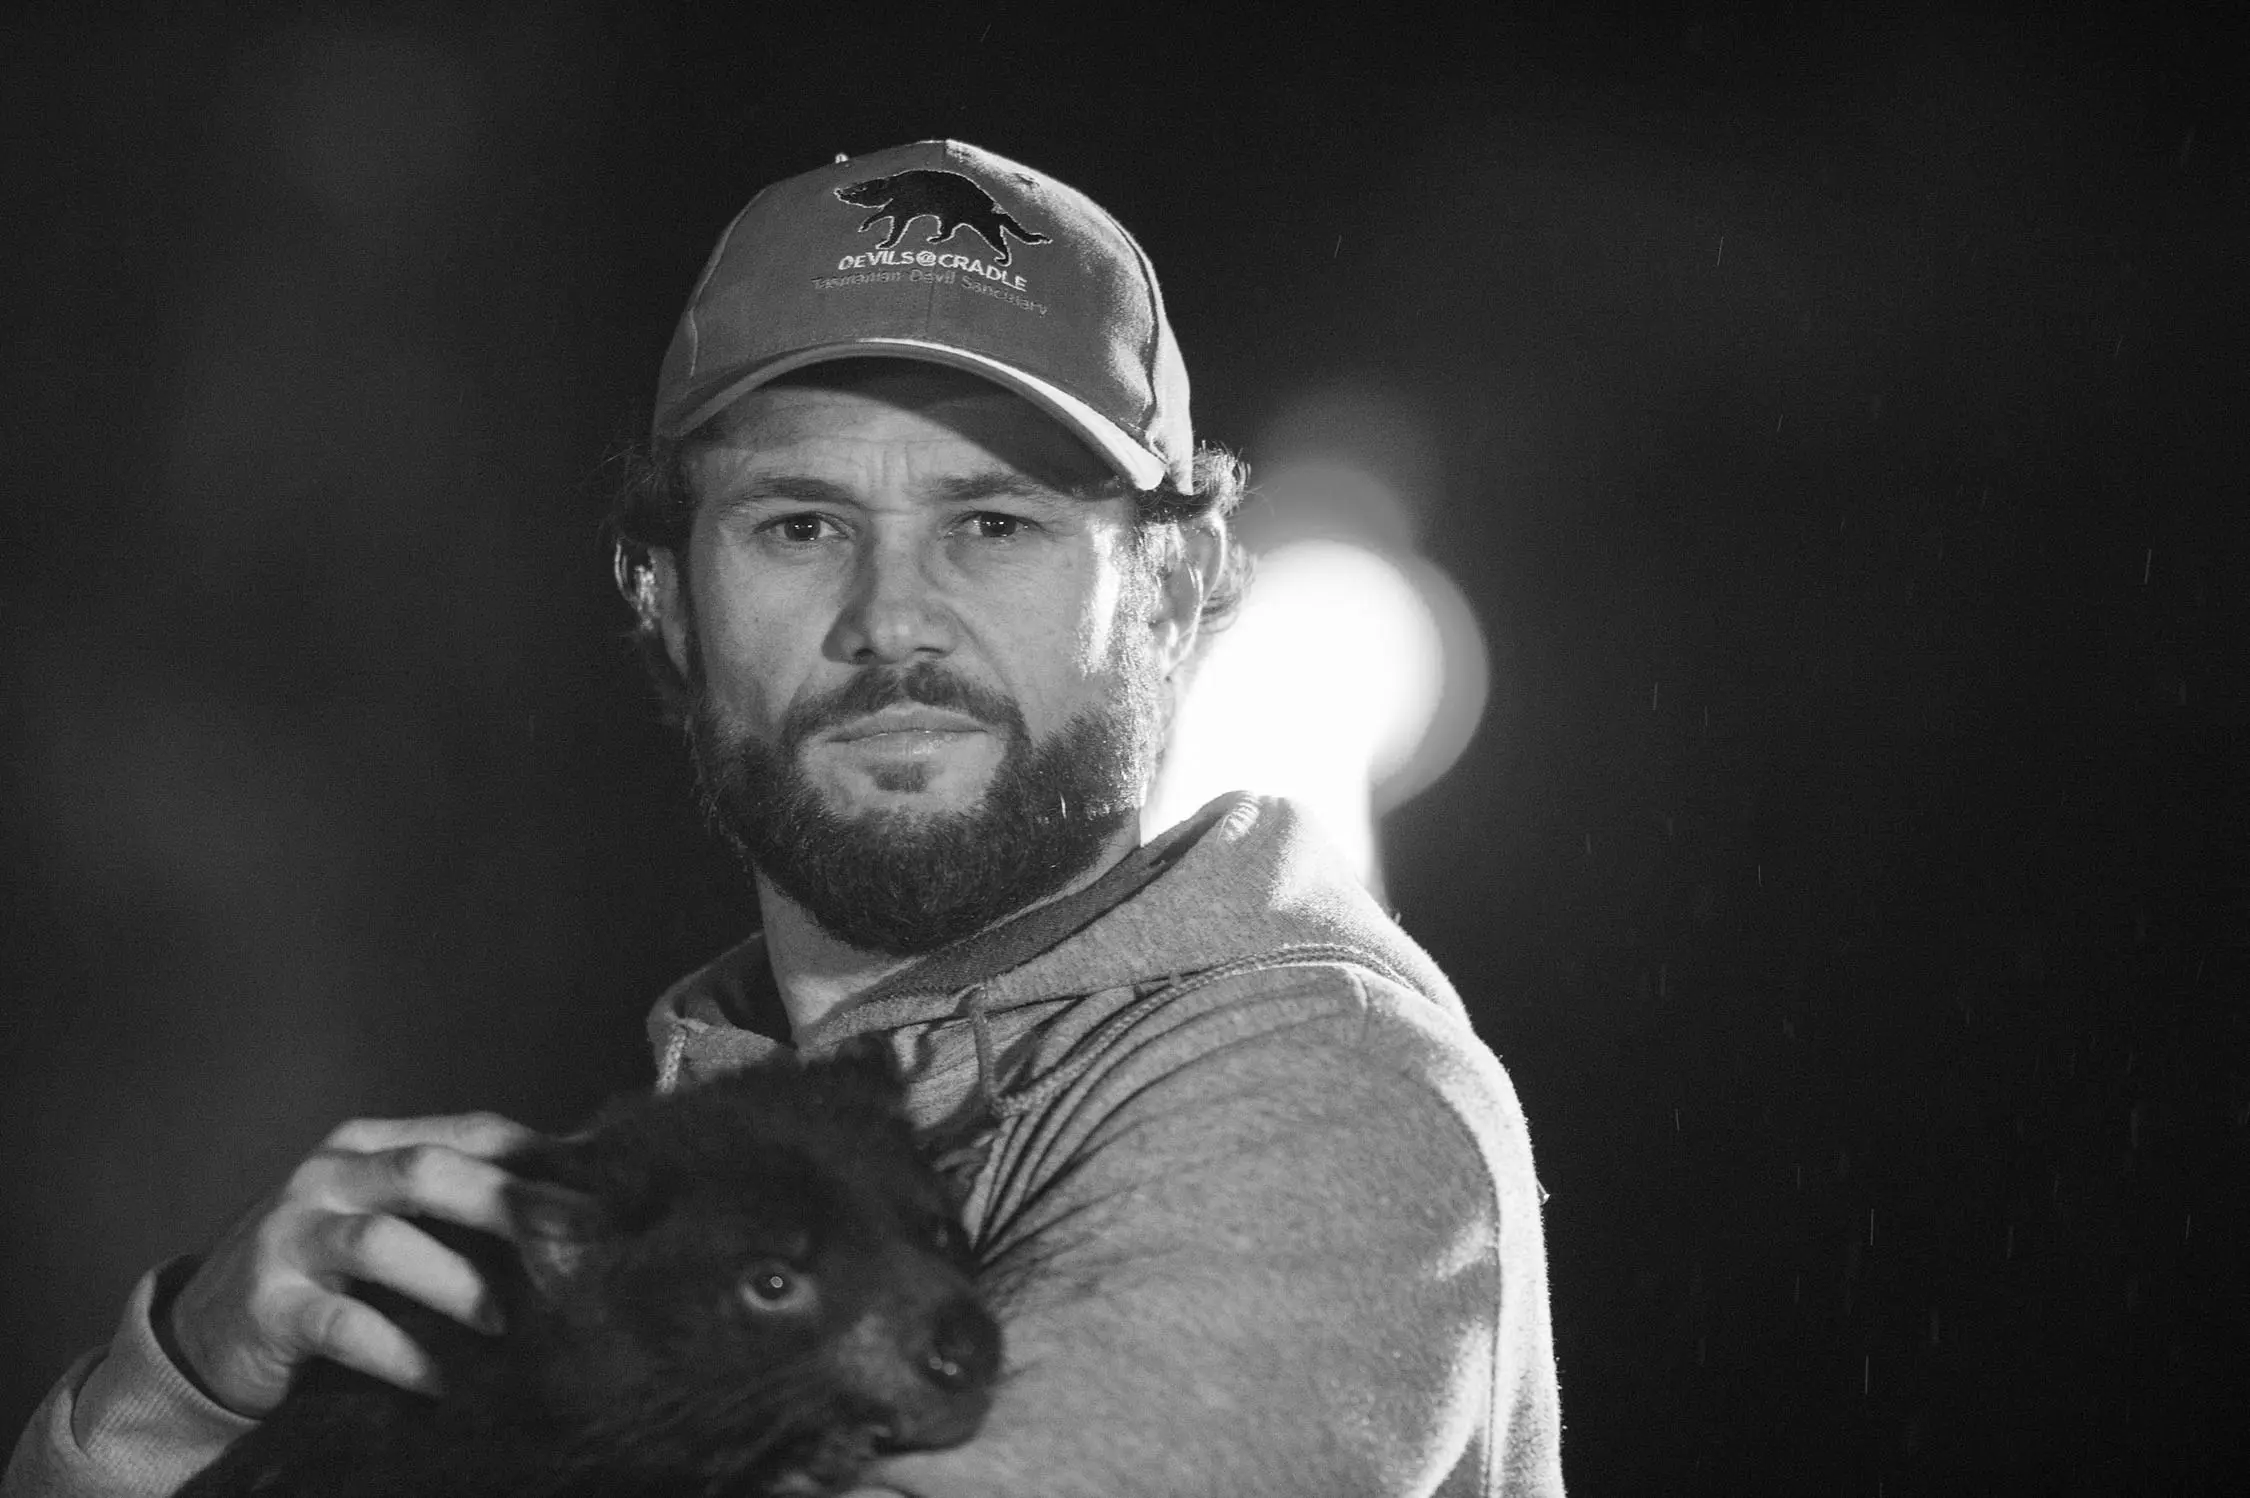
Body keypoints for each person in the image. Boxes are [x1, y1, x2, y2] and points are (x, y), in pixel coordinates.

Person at [5, 140, 1564, 1497]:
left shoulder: (1315, 1093)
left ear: (1173, 587)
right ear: (662, 598)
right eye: (801, 523)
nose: (895, 619)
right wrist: (193, 1387)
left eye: (994, 523)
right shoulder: (680, 1163)